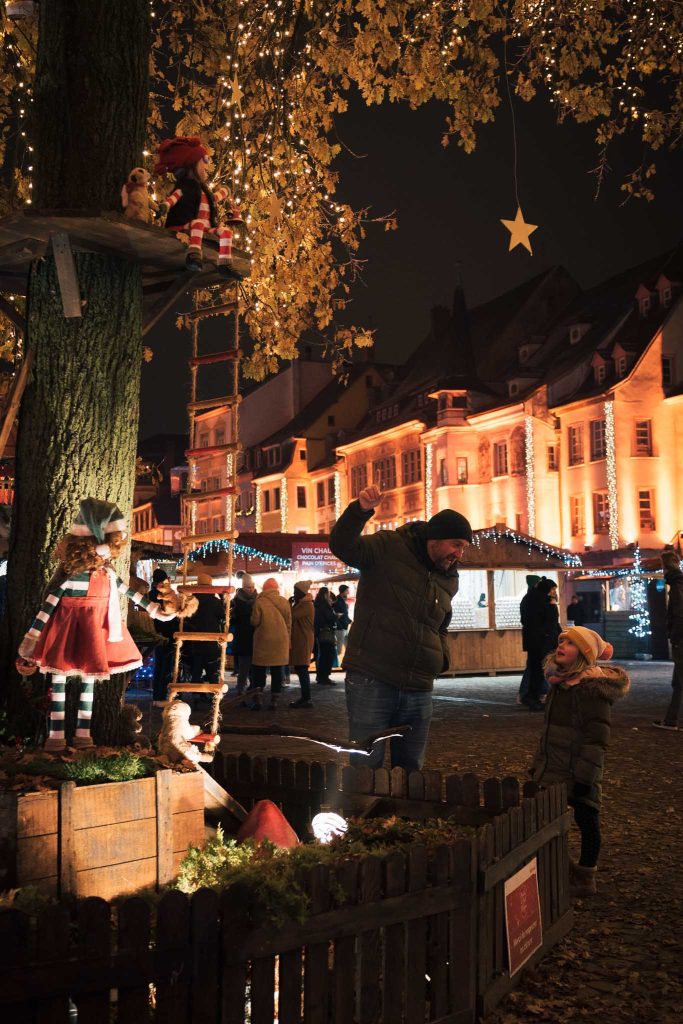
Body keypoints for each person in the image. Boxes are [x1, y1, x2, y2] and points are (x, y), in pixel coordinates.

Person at [329, 485, 472, 771]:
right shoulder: (389, 546)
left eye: (463, 547)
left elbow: (440, 624)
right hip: (373, 677)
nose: (459, 553)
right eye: (456, 544)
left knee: (411, 769)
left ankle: (405, 804)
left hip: (418, 686)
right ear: (435, 538)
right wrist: (360, 511)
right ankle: (363, 802)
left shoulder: (448, 578)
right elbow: (343, 545)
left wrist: (440, 658)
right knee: (366, 764)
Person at [530, 626, 630, 897]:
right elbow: (550, 731)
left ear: (584, 654)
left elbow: (596, 738)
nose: (561, 645)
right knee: (546, 818)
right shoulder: (559, 684)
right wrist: (540, 763)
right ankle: (558, 866)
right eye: (561, 640)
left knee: (587, 819)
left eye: (570, 643)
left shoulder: (592, 690)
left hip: (580, 770)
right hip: (555, 765)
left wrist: (585, 777)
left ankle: (586, 876)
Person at [248, 577, 292, 710]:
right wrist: (288, 640)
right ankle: (274, 700)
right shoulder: (284, 601)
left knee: (259, 670)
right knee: (277, 670)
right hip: (280, 640)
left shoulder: (259, 601)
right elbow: (289, 623)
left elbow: (255, 621)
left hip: (263, 640)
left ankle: (258, 700)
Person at [653, 548, 683, 731]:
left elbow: (679, 614)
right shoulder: (678, 583)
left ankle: (672, 720)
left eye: (662, 565)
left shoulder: (677, 585)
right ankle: (671, 720)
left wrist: (675, 636)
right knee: (678, 682)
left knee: (680, 680)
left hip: (682, 639)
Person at [182, 572, 225, 697]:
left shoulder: (192, 601)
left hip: (194, 640)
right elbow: (222, 616)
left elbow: (187, 618)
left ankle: (196, 695)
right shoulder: (215, 602)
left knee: (196, 669)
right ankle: (214, 695)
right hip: (211, 640)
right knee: (212, 670)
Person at [522, 577, 561, 711]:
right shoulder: (542, 601)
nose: (554, 592)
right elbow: (551, 620)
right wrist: (552, 605)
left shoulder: (531, 599)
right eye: (553, 589)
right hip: (542, 641)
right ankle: (532, 697)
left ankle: (533, 696)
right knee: (538, 670)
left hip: (536, 640)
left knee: (536, 669)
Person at [229, 572, 257, 694]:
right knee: (244, 668)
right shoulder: (236, 601)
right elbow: (232, 620)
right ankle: (240, 690)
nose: (250, 590)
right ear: (243, 587)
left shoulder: (258, 599)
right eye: (248, 587)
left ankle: (253, 690)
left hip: (255, 638)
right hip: (242, 638)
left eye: (252, 587)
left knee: (254, 669)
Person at [289, 580, 314, 708]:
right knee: (300, 668)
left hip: (303, 640)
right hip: (301, 639)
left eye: (295, 591)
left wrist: (289, 605)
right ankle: (305, 698)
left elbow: (291, 616)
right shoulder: (302, 604)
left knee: (302, 668)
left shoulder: (306, 605)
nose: (294, 593)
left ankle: (306, 698)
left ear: (301, 592)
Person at [518, 574, 541, 706]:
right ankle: (526, 693)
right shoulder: (532, 600)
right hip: (535, 638)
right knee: (533, 666)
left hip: (531, 638)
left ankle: (526, 693)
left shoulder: (527, 599)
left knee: (532, 666)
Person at [313, 586, 337, 686]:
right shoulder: (325, 605)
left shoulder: (317, 604)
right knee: (328, 656)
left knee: (323, 656)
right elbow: (329, 618)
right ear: (325, 594)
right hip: (327, 632)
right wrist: (336, 616)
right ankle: (324, 677)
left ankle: (321, 677)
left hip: (320, 633)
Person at [333, 584, 351, 663]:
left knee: (349, 648)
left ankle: (347, 663)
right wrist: (339, 625)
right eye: (347, 591)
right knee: (339, 650)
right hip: (340, 628)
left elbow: (344, 614)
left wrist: (349, 621)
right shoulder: (337, 601)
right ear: (343, 591)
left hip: (345, 627)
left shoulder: (342, 600)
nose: (348, 592)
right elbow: (336, 614)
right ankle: (330, 663)